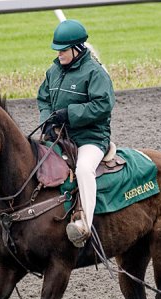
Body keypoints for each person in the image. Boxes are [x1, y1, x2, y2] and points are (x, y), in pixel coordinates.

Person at [37, 19, 115, 247]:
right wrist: (47, 122)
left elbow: (103, 105)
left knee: (82, 169)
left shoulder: (95, 73)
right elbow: (43, 99)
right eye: (57, 50)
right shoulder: (53, 71)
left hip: (91, 138)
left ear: (77, 48)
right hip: (60, 136)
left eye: (62, 50)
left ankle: (85, 226)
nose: (58, 54)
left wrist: (69, 114)